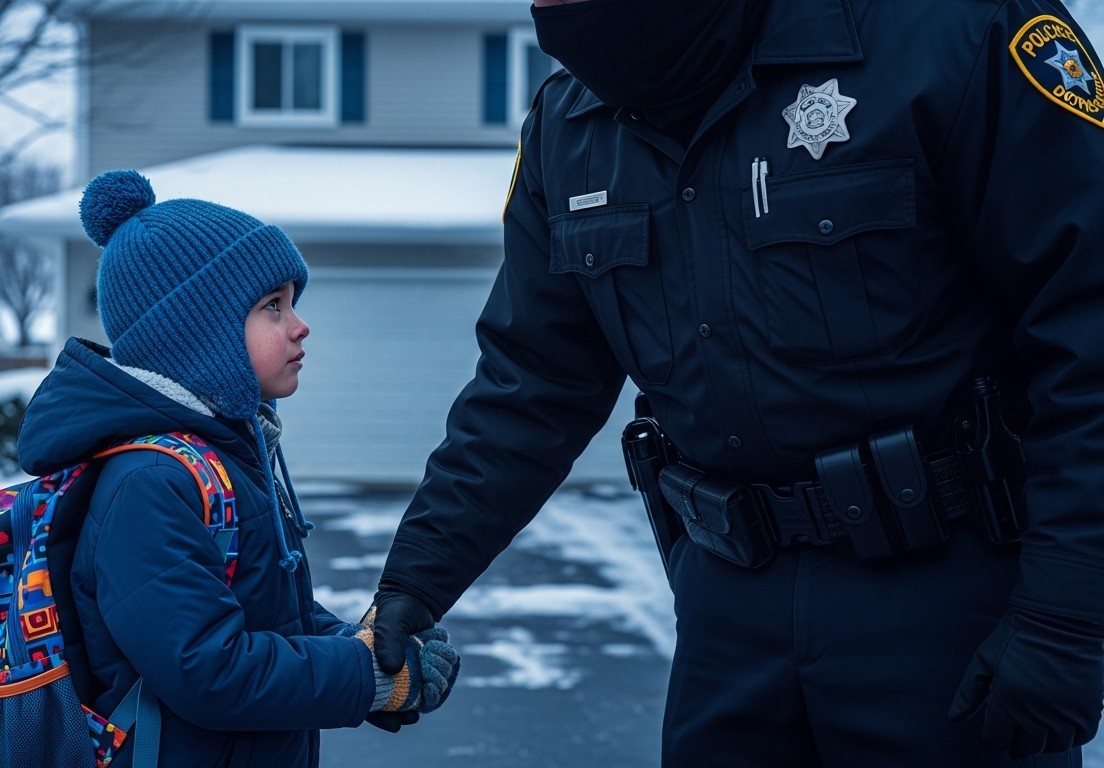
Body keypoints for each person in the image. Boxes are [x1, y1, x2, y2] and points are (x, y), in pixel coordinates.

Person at [366, 0, 1104, 765]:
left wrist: (1069, 610)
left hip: (948, 596)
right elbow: (532, 384)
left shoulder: (948, 32)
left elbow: (1088, 325)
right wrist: (416, 580)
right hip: (728, 610)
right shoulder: (571, 125)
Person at [16, 169, 460, 767]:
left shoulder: (226, 456)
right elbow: (210, 670)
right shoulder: (152, 482)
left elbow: (271, 621)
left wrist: (369, 651)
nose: (300, 325)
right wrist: (368, 678)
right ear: (199, 336)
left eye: (292, 302)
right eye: (272, 307)